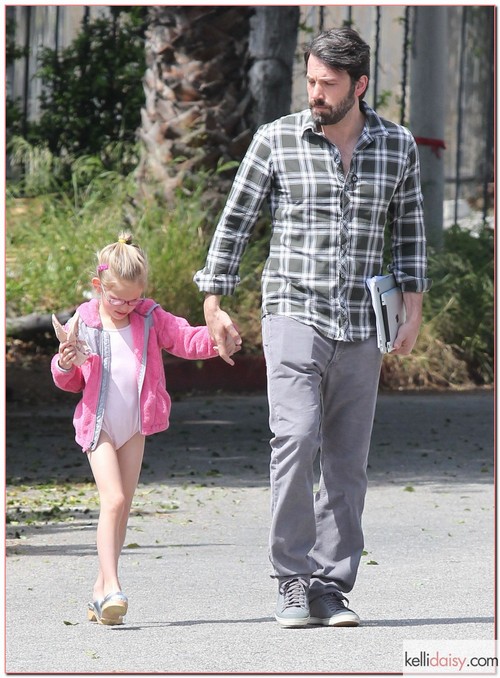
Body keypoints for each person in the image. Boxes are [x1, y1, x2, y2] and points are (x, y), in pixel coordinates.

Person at [194, 27, 431, 628]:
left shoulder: (396, 146)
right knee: (296, 440)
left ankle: (331, 586)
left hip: (360, 320)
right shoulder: (277, 140)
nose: (316, 94)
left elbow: (408, 232)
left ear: (360, 85)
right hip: (293, 309)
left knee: (347, 461)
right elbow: (237, 221)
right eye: (311, 82)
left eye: (328, 84)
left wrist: (413, 308)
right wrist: (215, 301)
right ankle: (292, 580)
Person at [51, 232, 239, 625]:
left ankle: (100, 589)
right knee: (114, 500)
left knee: (122, 510)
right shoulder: (83, 322)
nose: (126, 306)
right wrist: (65, 363)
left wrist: (217, 338)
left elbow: (185, 338)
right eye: (118, 298)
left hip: (135, 425)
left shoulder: (150, 316)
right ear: (98, 286)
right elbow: (69, 381)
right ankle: (114, 588)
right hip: (98, 425)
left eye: (134, 299)